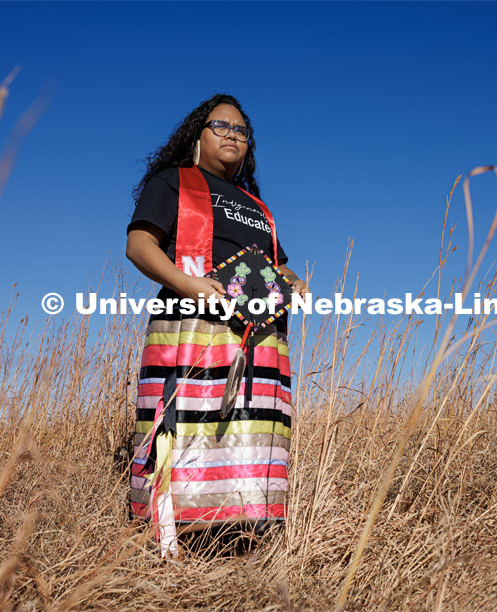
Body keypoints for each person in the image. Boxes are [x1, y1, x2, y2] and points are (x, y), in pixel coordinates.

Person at [125, 94, 307, 555]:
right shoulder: (175, 183)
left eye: (241, 131)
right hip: (191, 328)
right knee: (184, 429)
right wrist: (187, 283)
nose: (232, 135)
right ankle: (172, 541)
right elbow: (140, 245)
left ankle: (241, 541)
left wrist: (292, 280)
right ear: (197, 136)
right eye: (220, 126)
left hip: (256, 338)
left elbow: (272, 267)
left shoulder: (256, 206)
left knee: (249, 432)